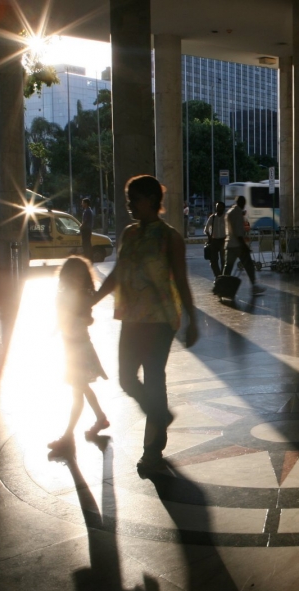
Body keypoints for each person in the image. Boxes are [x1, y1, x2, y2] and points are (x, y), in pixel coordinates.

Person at [93, 175, 198, 473]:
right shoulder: (128, 234)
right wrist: (93, 300)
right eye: (128, 198)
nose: (128, 204)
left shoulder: (170, 238)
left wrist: (192, 320)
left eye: (134, 198)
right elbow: (116, 273)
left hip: (161, 320)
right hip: (131, 317)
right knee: (126, 378)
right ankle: (160, 415)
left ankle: (152, 450)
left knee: (153, 379)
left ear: (151, 200)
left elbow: (180, 279)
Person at [47, 257, 110, 453]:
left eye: (78, 276)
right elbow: (63, 317)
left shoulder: (80, 296)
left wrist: (75, 317)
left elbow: (86, 319)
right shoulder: (66, 293)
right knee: (81, 389)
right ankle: (100, 418)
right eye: (71, 275)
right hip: (72, 348)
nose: (74, 279)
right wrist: (55, 330)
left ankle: (68, 436)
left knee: (78, 391)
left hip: (79, 349)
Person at [223, 196, 265, 296]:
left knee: (228, 267)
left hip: (229, 244)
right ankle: (254, 286)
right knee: (249, 265)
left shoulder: (229, 211)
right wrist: (244, 246)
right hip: (238, 245)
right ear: (242, 203)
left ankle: (222, 286)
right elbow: (238, 232)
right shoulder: (237, 212)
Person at [203, 202, 226, 278]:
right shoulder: (212, 217)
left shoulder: (226, 217)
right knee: (213, 261)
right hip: (214, 241)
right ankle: (218, 276)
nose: (218, 208)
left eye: (220, 207)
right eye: (217, 207)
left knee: (224, 262)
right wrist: (210, 237)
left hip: (223, 241)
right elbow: (206, 229)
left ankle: (223, 277)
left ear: (223, 208)